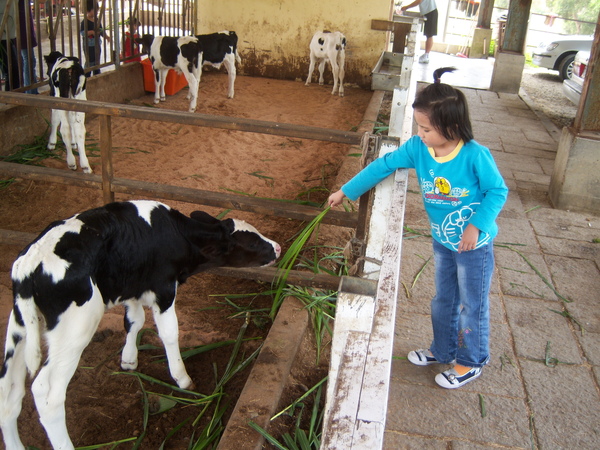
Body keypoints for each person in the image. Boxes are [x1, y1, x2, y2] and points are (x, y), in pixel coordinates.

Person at [328, 67, 508, 389]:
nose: (420, 134)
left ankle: (470, 361)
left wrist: (477, 226)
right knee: (443, 299)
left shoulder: (475, 156)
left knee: (472, 304)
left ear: (451, 126)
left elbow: (497, 191)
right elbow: (384, 164)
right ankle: (443, 350)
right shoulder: (418, 149)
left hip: (473, 248)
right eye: (419, 127)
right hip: (442, 241)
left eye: (425, 128)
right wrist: (346, 191)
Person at [80, 0, 110, 76]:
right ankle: (87, 74)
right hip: (88, 45)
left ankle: (97, 73)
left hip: (97, 44)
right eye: (94, 10)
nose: (97, 11)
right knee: (89, 61)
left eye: (97, 9)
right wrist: (92, 32)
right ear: (88, 10)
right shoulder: (85, 21)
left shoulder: (97, 20)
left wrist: (106, 37)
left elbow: (101, 30)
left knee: (97, 60)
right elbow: (82, 32)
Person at [18, 0, 39, 94]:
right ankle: (30, 91)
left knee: (28, 60)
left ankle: (32, 89)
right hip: (22, 28)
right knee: (29, 60)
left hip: (22, 26)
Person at [0, 0, 21, 91]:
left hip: (7, 33)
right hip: (3, 35)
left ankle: (10, 100)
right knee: (12, 70)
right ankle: (11, 101)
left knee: (12, 70)